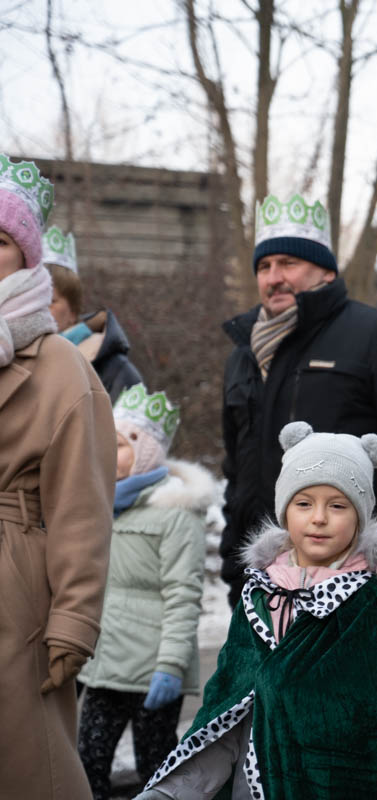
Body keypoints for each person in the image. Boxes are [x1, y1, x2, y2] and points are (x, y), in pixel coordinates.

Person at [136, 421, 377, 800]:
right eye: (304, 503)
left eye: (337, 505)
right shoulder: (259, 594)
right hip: (251, 782)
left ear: (359, 516)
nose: (319, 518)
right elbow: (227, 700)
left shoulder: (376, 608)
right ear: (285, 510)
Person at [219, 191, 377, 609]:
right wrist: (235, 572)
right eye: (264, 266)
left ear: (326, 273)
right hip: (267, 588)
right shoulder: (243, 356)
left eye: (289, 263)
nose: (274, 277)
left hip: (360, 587)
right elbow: (237, 479)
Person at [0, 154, 117, 798]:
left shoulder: (60, 370)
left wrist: (74, 618)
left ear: (27, 257)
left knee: (30, 767)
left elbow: (82, 508)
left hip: (14, 594)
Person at [77, 385, 216, 799]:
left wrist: (170, 666)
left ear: (147, 450)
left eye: (119, 445)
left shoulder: (175, 511)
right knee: (87, 762)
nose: (108, 452)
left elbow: (182, 594)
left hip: (153, 668)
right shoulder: (104, 502)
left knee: (156, 768)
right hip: (105, 667)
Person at [41, 225, 143, 401]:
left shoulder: (117, 371)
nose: (39, 309)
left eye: (50, 301)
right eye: (33, 300)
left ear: (73, 309)